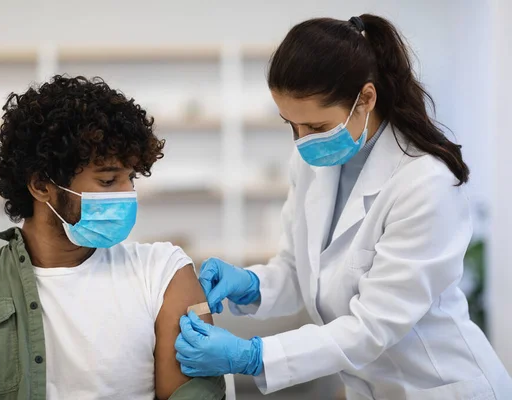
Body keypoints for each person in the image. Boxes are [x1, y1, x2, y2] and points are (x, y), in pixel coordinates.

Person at [175, 14, 512, 400]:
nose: (302, 141)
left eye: (317, 127)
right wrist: (251, 286)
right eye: (291, 125)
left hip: (440, 388)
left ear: (366, 98)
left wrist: (254, 356)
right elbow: (298, 270)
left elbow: (371, 327)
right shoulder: (311, 164)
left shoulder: (424, 183)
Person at [0, 76, 225, 400]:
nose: (127, 193)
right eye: (107, 181)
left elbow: (197, 391)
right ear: (41, 185)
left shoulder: (164, 272)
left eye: (129, 178)